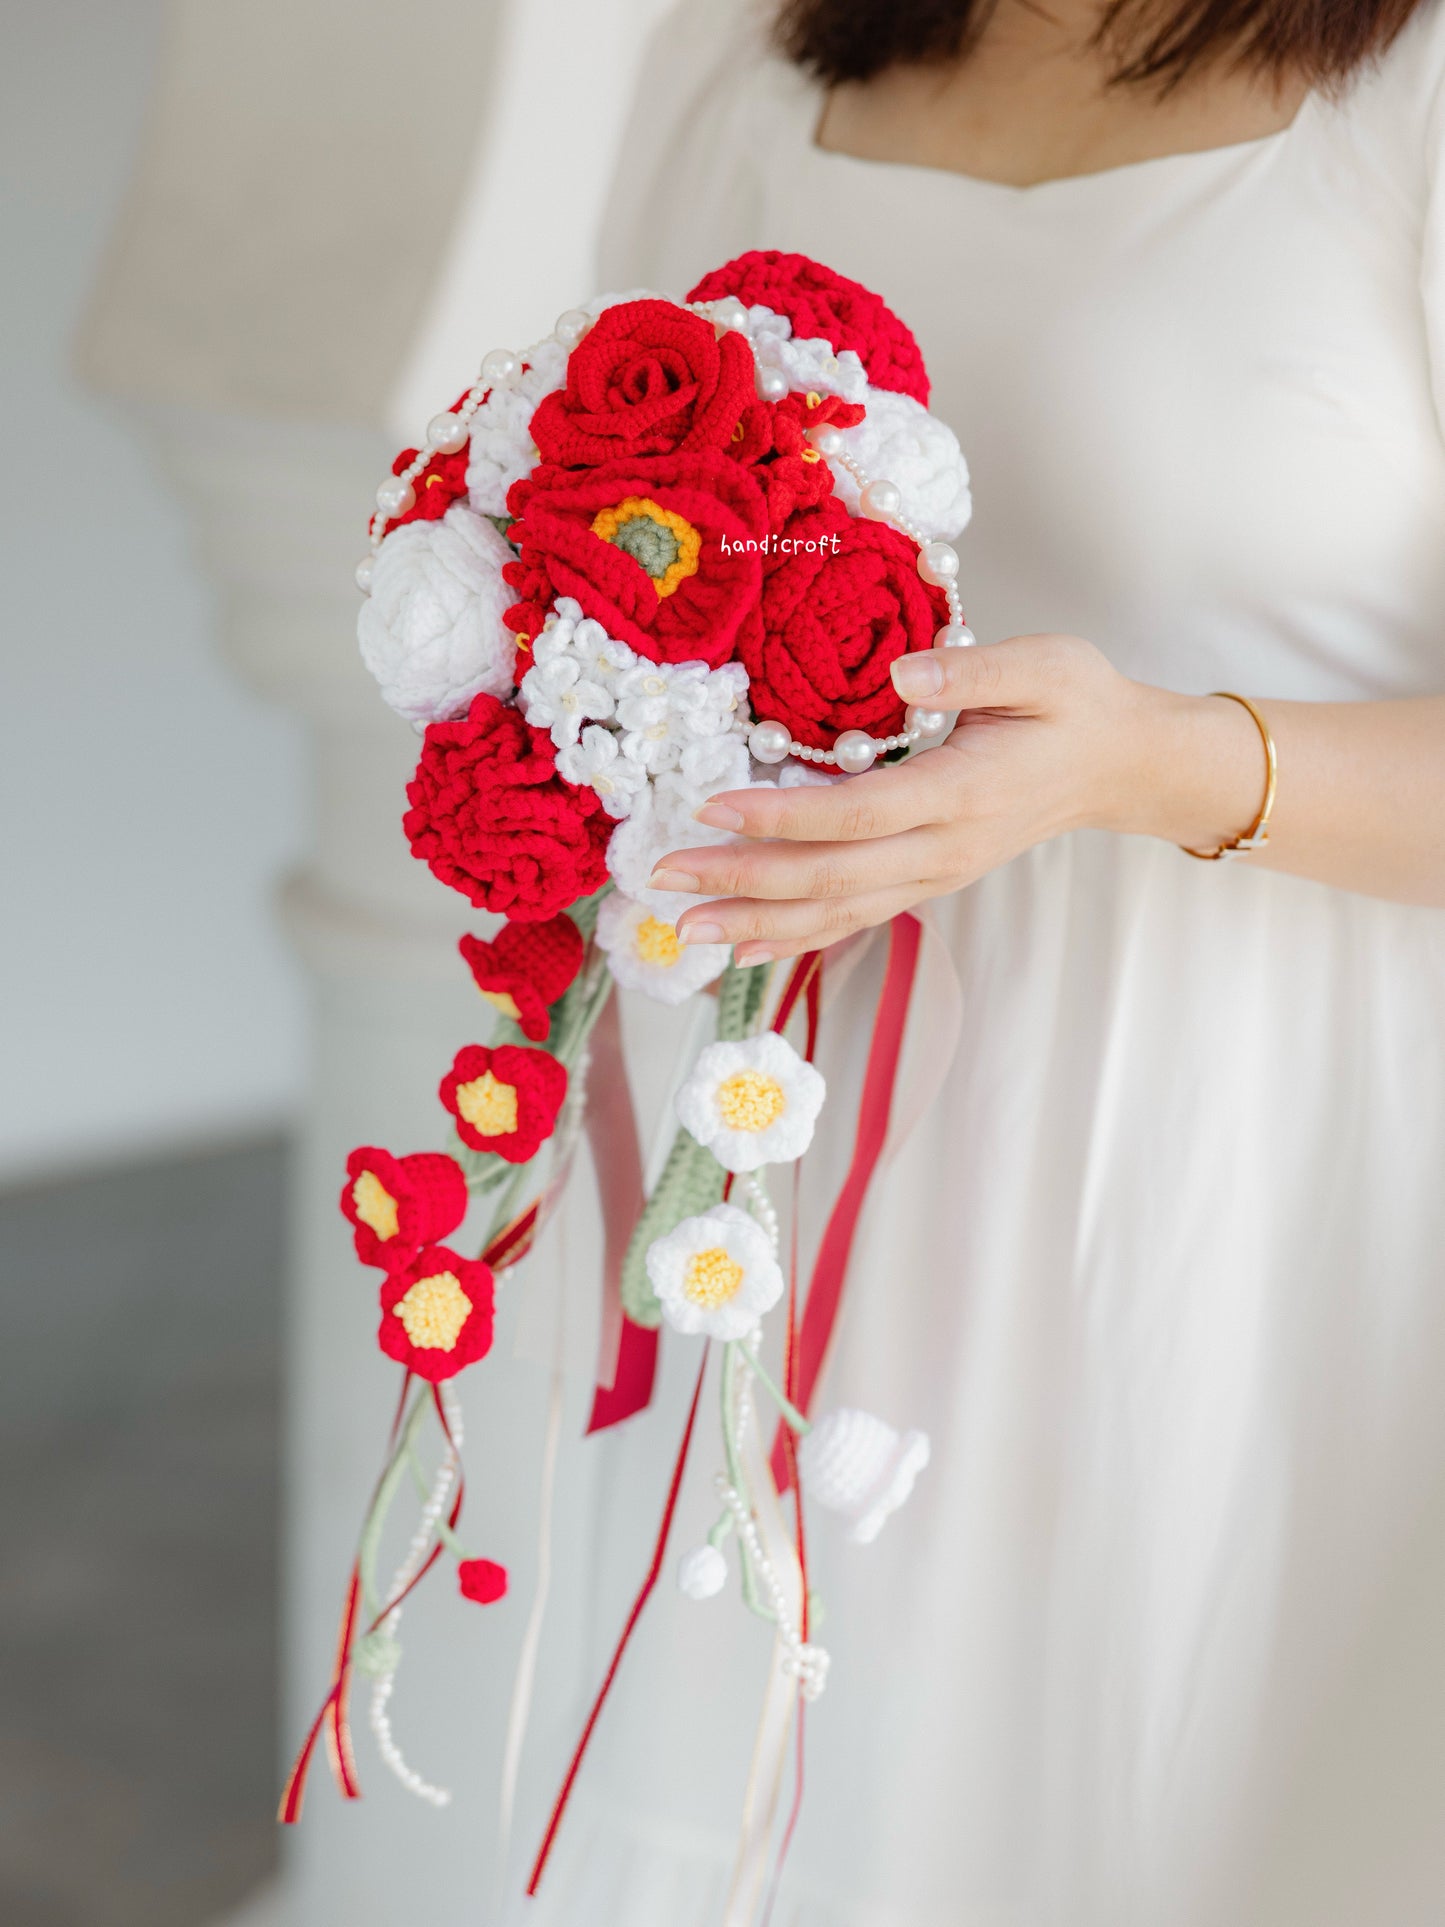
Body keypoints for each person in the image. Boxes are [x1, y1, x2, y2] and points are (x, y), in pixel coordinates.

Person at [521, 2, 1445, 1920]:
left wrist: (1162, 762)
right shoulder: (751, 55)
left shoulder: (1409, 93)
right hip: (819, 1142)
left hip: (1264, 1162)